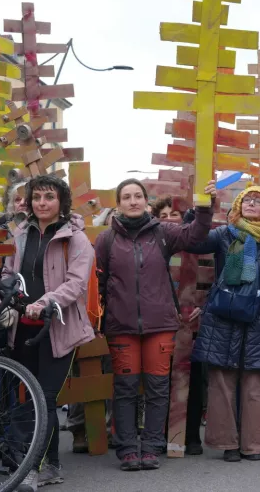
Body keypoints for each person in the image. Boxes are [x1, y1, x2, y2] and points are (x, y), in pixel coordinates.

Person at [95, 179, 215, 470]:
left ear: (146, 202)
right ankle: (127, 449)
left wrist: (204, 207)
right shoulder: (106, 239)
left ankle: (151, 447)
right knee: (125, 389)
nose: (133, 201)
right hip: (121, 326)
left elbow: (196, 235)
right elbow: (99, 282)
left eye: (138, 196)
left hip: (159, 324)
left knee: (157, 388)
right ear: (118, 204)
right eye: (126, 197)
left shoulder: (163, 232)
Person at [0, 175, 96, 491]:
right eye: (36, 197)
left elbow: (76, 283)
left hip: (58, 328)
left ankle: (35, 468)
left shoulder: (76, 238)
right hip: (23, 328)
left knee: (45, 397)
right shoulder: (20, 234)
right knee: (26, 398)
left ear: (62, 201)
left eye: (49, 197)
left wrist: (43, 303)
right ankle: (44, 463)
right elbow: (9, 274)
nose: (41, 203)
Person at [186, 185, 260, 462]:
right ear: (238, 205)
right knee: (221, 384)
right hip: (221, 317)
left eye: (258, 201)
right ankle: (227, 443)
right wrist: (201, 208)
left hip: (256, 320)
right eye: (246, 199)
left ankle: (252, 445)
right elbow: (194, 241)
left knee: (252, 387)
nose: (251, 203)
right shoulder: (223, 234)